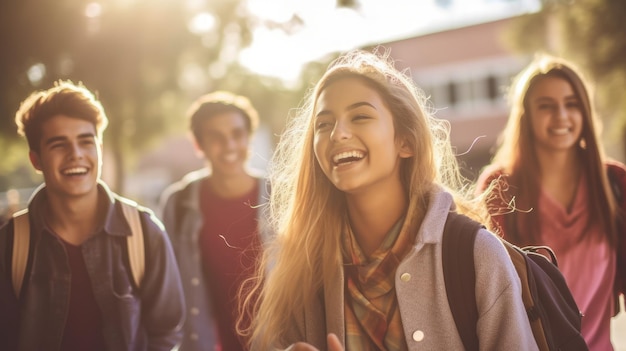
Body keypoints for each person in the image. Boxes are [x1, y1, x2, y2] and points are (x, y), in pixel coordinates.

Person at [237, 49, 538, 351]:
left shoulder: (477, 254)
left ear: (405, 141)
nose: (338, 133)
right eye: (324, 124)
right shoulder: (302, 269)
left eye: (360, 116)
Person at [0, 80, 185, 351]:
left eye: (86, 142)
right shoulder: (10, 245)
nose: (76, 155)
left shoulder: (144, 233)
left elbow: (167, 333)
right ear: (36, 160)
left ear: (98, 148)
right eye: (59, 145)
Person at [476, 54, 626, 350]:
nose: (561, 116)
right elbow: (489, 294)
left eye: (571, 104)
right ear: (525, 116)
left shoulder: (615, 182)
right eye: (546, 106)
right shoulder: (500, 187)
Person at [159, 91, 271, 351]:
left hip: (278, 342)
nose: (230, 145)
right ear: (199, 145)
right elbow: (169, 287)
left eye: (237, 134)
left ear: (248, 138)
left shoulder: (283, 196)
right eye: (216, 137)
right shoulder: (179, 204)